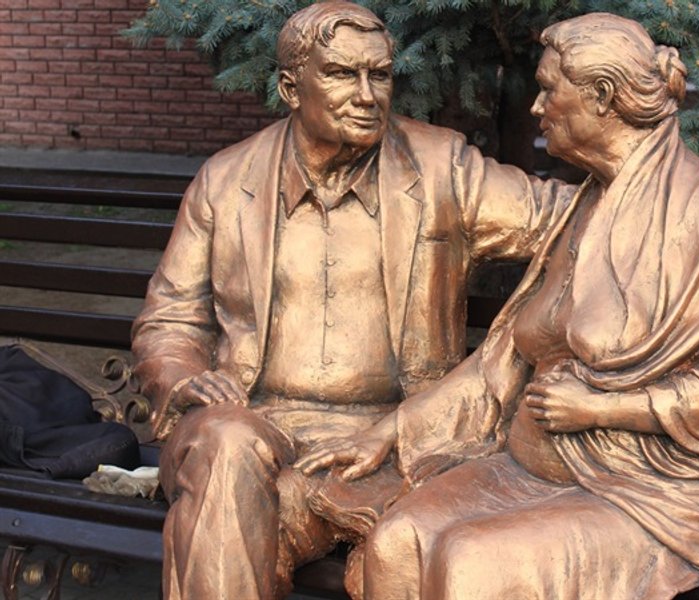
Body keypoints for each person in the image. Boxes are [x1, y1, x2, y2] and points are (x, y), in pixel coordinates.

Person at [303, 12, 699, 600]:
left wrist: (606, 409)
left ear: (602, 97)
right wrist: (391, 432)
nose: (536, 107)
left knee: (470, 561)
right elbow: (504, 361)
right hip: (534, 469)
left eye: (548, 89)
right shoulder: (588, 202)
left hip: (658, 497)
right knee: (397, 542)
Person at [130, 3, 573, 599]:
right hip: (255, 424)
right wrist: (185, 378)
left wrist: (651, 170)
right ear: (291, 88)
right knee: (224, 448)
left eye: (380, 75)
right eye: (342, 74)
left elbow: (566, 218)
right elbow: (169, 318)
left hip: (395, 437)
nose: (367, 96)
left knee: (402, 543)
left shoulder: (440, 167)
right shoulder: (226, 182)